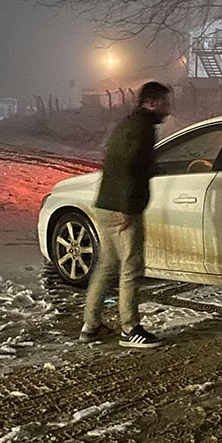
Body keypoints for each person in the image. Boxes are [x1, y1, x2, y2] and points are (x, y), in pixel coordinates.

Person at [80, 81, 171, 347]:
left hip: (107, 203)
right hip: (122, 209)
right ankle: (130, 329)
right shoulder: (141, 129)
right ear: (152, 102)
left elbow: (124, 162)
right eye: (165, 103)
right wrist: (128, 207)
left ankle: (91, 326)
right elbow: (129, 165)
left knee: (107, 265)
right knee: (131, 267)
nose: (168, 108)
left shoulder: (129, 124)